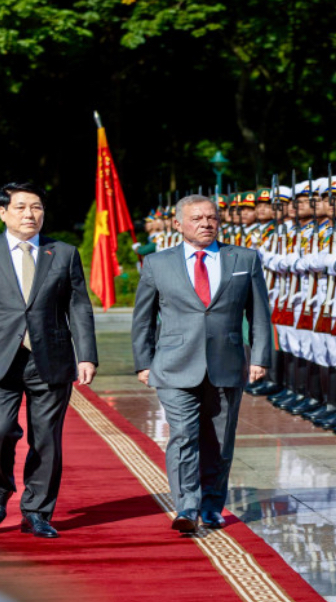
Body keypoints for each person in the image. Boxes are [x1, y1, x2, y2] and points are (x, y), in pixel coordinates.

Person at [0, 182, 98, 540]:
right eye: (21, 207)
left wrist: (87, 355)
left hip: (52, 358)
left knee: (47, 439)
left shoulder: (63, 253)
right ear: (3, 213)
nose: (30, 214)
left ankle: (37, 512)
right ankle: (0, 488)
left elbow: (79, 307)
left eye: (36, 207)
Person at [131, 194, 272, 533]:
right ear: (178, 224)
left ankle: (211, 505)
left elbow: (259, 314)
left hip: (227, 363)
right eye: (197, 218)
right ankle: (186, 507)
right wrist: (143, 362)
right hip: (174, 365)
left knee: (220, 441)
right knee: (183, 435)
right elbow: (143, 318)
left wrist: (260, 357)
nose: (206, 224)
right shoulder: (157, 263)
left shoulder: (244, 258)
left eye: (211, 218)